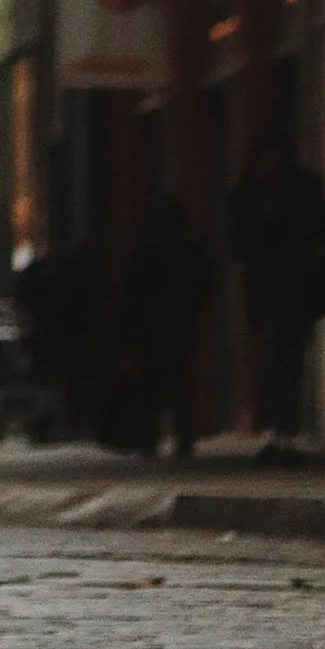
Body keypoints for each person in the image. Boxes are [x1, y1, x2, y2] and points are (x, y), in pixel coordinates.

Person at [231, 116, 325, 455]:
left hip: (297, 288)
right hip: (265, 290)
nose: (271, 161)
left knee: (291, 360)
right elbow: (237, 243)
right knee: (270, 361)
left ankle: (287, 429)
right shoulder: (247, 194)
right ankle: (275, 429)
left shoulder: (306, 188)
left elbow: (324, 234)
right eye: (266, 154)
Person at [118, 193, 211, 461]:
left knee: (153, 385)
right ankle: (182, 438)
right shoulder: (187, 248)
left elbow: (132, 290)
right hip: (175, 324)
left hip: (156, 325)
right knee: (177, 384)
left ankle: (153, 439)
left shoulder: (148, 248)